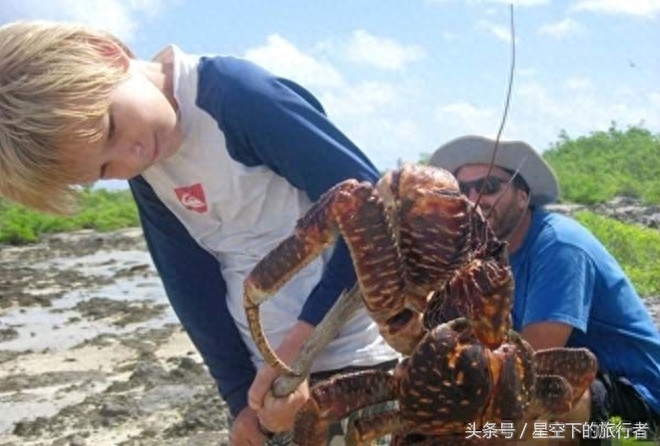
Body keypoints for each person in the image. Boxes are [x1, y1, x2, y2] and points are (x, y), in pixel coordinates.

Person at [0, 21, 401, 444]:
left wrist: (299, 353)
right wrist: (238, 400)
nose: (130, 158)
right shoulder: (148, 173)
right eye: (103, 170)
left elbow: (374, 217)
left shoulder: (236, 97)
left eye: (111, 128)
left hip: (355, 361)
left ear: (107, 54)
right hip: (269, 385)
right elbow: (192, 289)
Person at [430, 135, 660, 441]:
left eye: (488, 187)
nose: (474, 200)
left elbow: (532, 359)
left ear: (523, 196)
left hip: (635, 397)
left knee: (516, 411)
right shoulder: (486, 254)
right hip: (575, 376)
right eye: (462, 191)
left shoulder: (559, 247)